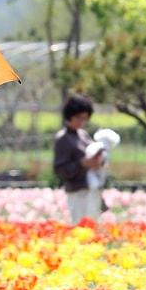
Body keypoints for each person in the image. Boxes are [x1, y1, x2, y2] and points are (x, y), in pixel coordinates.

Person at [53, 95, 105, 223]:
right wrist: (82, 164)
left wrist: (99, 161)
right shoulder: (63, 138)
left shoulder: (84, 135)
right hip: (77, 192)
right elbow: (60, 170)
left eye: (85, 118)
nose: (82, 122)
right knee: (81, 226)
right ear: (69, 116)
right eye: (78, 118)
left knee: (93, 226)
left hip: (92, 188)